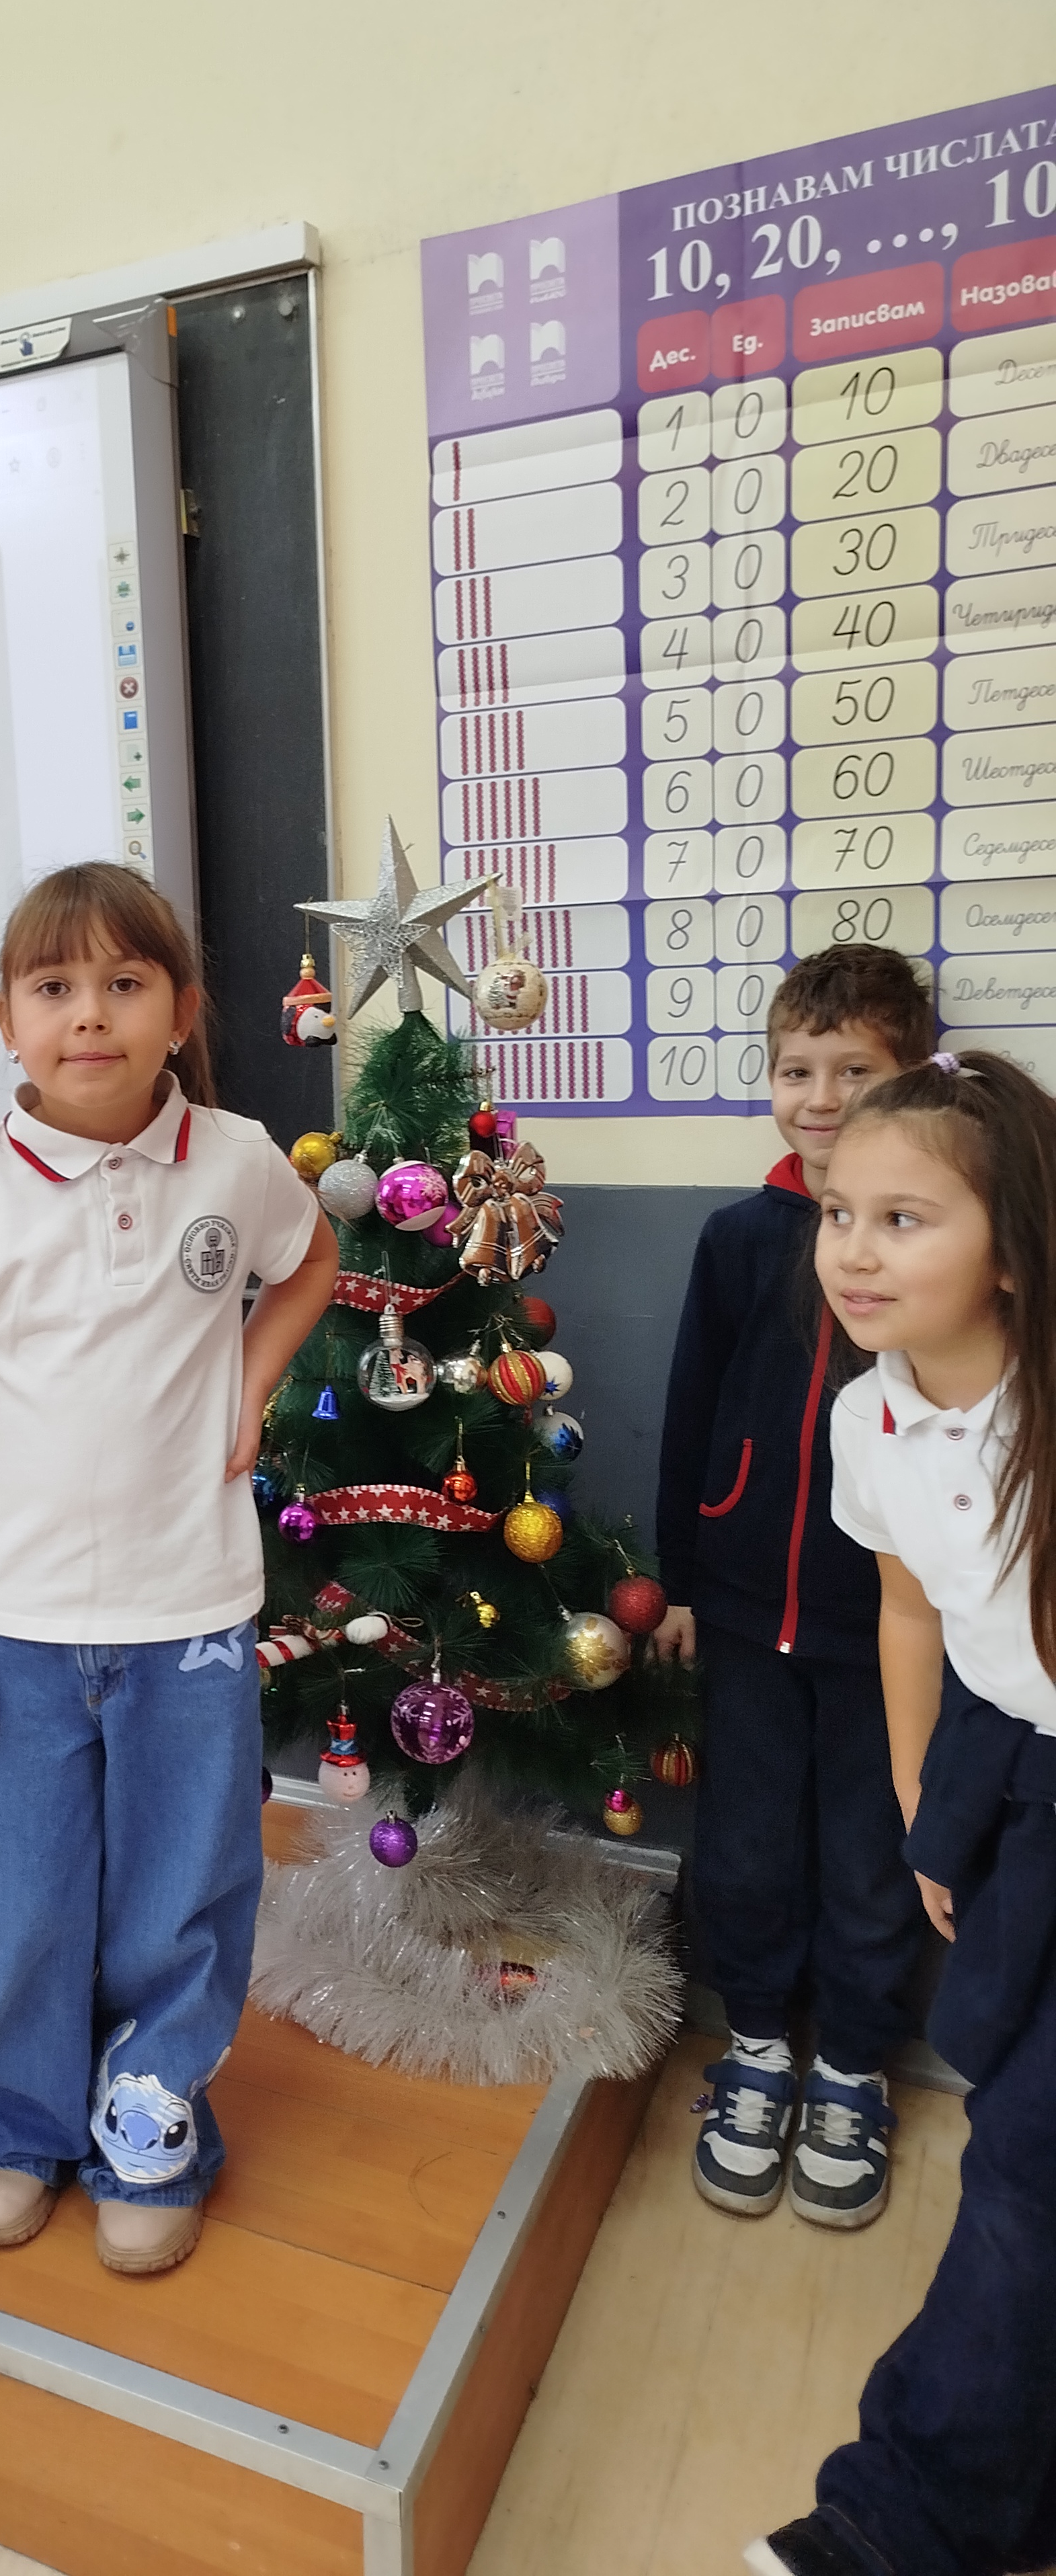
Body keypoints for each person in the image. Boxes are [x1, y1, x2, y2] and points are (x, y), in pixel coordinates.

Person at [0, 861, 337, 2275]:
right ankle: (14, 2117)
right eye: (55, 987)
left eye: (125, 984)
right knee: (25, 1890)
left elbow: (311, 1261)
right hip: (17, 1620)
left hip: (190, 1607)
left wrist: (253, 1380)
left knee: (185, 1881)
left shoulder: (236, 1159)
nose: (90, 1014)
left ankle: (150, 2106)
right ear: (10, 1022)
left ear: (180, 1011)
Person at [752, 1050, 1056, 2576]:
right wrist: (925, 1793)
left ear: (1009, 1251)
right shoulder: (870, 1419)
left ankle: (901, 2515)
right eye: (839, 1213)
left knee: (1027, 2160)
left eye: (906, 1218)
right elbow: (910, 1609)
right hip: (1006, 1763)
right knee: (1004, 2077)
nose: (855, 1252)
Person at [655, 946, 933, 2228]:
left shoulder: (937, 1247)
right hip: (741, 1614)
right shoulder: (737, 1238)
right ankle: (759, 2046)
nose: (821, 1099)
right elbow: (691, 1414)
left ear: (912, 1076)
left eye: (854, 1071)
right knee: (749, 1844)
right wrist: (681, 1579)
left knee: (877, 1856)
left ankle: (855, 2068)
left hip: (892, 1633)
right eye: (797, 1070)